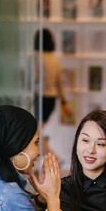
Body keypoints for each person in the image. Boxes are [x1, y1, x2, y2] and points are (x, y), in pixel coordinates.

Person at [33, 28, 72, 158]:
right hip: (51, 101)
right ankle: (52, 156)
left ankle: (53, 157)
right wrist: (64, 103)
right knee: (36, 132)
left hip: (40, 98)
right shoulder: (55, 59)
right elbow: (59, 83)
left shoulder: (37, 57)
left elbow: (34, 79)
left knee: (34, 132)